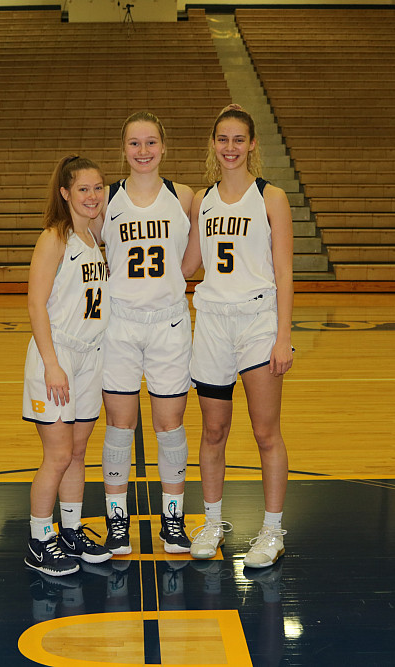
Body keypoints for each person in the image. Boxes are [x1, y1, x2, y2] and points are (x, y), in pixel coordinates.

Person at [181, 104, 295, 569]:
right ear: (213, 144)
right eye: (222, 139)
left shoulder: (272, 198)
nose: (230, 147)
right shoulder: (201, 201)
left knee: (266, 432)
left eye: (238, 140)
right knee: (213, 431)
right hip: (210, 321)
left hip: (256, 321)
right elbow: (188, 267)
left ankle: (272, 530)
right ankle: (212, 522)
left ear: (251, 145)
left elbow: (285, 272)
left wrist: (283, 333)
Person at [95, 111, 196, 555]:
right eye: (134, 143)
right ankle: (118, 524)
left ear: (164, 147)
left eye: (150, 142)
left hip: (170, 323)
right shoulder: (106, 199)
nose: (142, 151)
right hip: (118, 323)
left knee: (169, 425)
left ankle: (171, 522)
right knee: (119, 425)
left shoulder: (184, 196)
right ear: (123, 149)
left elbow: (192, 260)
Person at [23, 155, 114, 576]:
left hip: (90, 356)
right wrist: (51, 365)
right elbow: (36, 304)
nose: (93, 196)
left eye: (98, 187)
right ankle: (39, 539)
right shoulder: (54, 238)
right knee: (57, 455)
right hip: (57, 355)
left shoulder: (95, 237)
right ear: (65, 193)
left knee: (78, 452)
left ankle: (71, 530)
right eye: (83, 189)